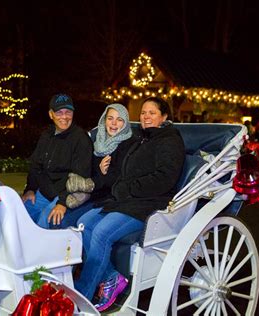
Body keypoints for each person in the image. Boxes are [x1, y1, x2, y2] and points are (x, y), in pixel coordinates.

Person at [74, 97, 185, 312]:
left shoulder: (169, 140)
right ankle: (112, 277)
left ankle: (82, 295)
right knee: (83, 223)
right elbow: (122, 170)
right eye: (143, 112)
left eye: (152, 112)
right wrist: (106, 172)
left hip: (147, 204)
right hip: (124, 199)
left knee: (101, 233)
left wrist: (128, 188)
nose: (146, 117)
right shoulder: (141, 139)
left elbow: (164, 178)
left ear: (164, 117)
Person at [21, 94, 93, 229]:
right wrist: (30, 189)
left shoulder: (81, 139)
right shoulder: (47, 135)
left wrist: (63, 203)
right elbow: (35, 165)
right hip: (44, 192)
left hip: (64, 193)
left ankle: (44, 250)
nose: (64, 117)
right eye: (59, 112)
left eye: (68, 112)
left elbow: (80, 177)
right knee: (21, 215)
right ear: (51, 114)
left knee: (46, 219)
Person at [64, 103, 132, 216]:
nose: (114, 123)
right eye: (110, 118)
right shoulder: (97, 141)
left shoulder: (128, 145)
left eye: (119, 119)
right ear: (104, 120)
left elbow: (119, 178)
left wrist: (100, 175)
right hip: (91, 194)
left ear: (125, 123)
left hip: (108, 199)